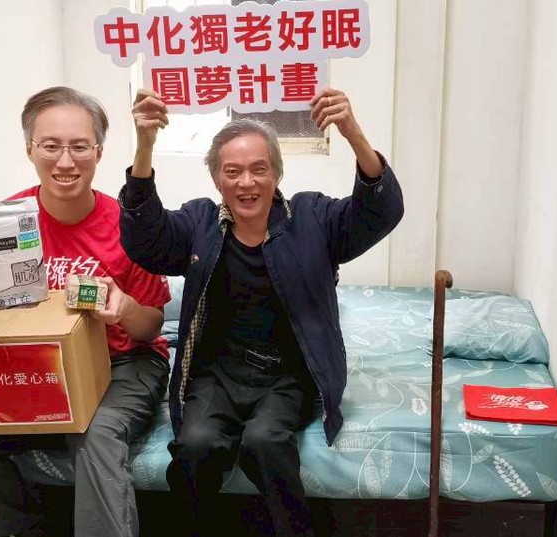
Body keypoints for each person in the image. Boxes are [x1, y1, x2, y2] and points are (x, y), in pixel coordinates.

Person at [119, 88, 404, 536]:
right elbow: (146, 239)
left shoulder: (312, 218)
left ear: (277, 173)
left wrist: (352, 132)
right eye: (232, 172)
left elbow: (378, 212)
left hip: (287, 374)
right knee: (196, 446)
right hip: (216, 373)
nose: (246, 182)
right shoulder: (199, 223)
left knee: (265, 442)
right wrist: (145, 146)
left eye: (259, 169)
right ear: (217, 180)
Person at [0, 86, 171, 537]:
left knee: (96, 433)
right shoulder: (0, 225)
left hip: (124, 363)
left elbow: (153, 327)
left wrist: (124, 308)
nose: (65, 161)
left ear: (98, 153)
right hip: (39, 368)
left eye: (79, 146)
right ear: (30, 150)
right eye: (51, 146)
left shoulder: (129, 226)